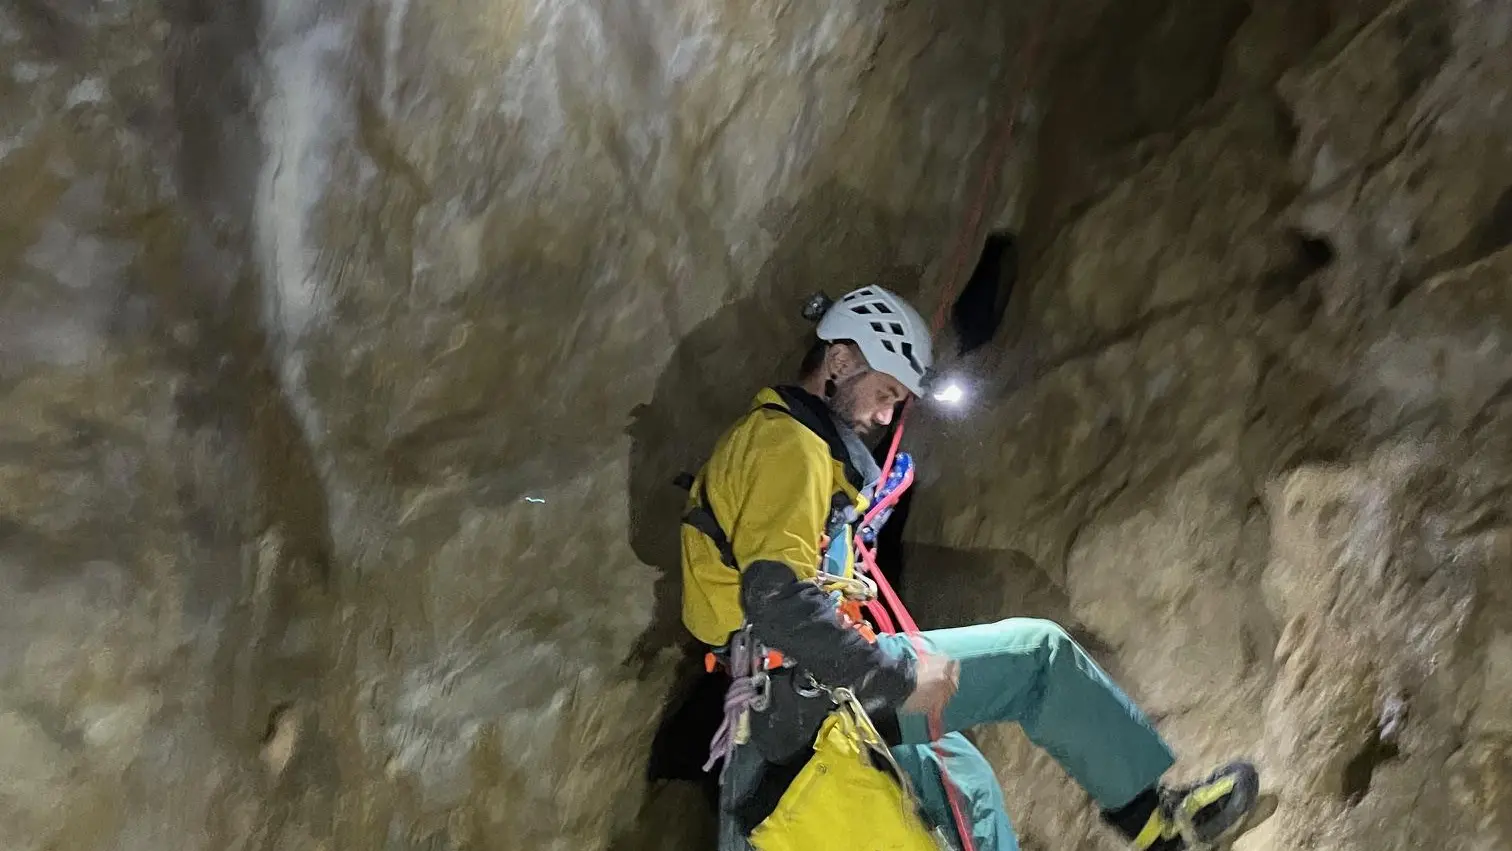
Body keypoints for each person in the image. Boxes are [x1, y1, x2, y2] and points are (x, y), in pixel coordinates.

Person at [678, 285, 1260, 851]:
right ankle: (1157, 827)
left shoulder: (802, 450)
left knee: (971, 771)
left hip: (814, 691)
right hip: (802, 697)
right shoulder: (788, 447)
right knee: (1034, 663)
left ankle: (1158, 830)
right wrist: (898, 679)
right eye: (884, 392)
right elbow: (776, 598)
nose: (885, 415)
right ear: (838, 359)